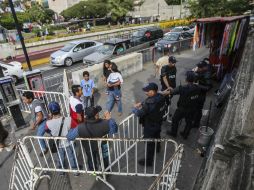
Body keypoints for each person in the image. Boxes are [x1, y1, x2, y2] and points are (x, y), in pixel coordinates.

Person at [67, 106, 118, 171]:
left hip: (89, 147)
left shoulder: (80, 127)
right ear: (96, 115)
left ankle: (93, 171)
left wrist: (71, 129)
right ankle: (106, 171)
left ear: (86, 116)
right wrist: (110, 119)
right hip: (102, 146)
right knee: (104, 159)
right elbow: (114, 130)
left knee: (91, 159)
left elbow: (69, 137)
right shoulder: (105, 123)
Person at [132, 83, 166, 166]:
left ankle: (148, 161)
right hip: (158, 121)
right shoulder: (160, 96)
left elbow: (140, 113)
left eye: (147, 91)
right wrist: (142, 103)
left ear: (152, 91)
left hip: (150, 125)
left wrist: (134, 109)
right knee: (157, 135)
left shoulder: (149, 103)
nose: (146, 93)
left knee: (149, 142)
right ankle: (158, 148)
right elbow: (149, 100)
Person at [167, 71, 206, 139]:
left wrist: (169, 90)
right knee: (189, 122)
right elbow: (206, 88)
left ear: (186, 79)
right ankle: (185, 134)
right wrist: (196, 84)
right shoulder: (198, 87)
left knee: (175, 120)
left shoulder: (182, 87)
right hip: (192, 108)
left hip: (182, 109)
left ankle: (173, 133)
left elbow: (172, 92)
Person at [45, 101, 78, 176]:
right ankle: (75, 171)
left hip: (58, 144)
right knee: (71, 157)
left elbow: (47, 130)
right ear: (59, 109)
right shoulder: (69, 119)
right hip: (68, 142)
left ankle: (61, 172)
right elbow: (75, 128)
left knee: (60, 158)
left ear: (50, 112)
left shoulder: (48, 123)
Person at [22, 91, 48, 156]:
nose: (23, 101)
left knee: (39, 136)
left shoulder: (35, 104)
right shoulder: (34, 101)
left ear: (30, 99)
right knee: (52, 131)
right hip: (44, 120)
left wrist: (34, 125)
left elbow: (40, 116)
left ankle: (44, 149)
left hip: (44, 121)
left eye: (25, 99)